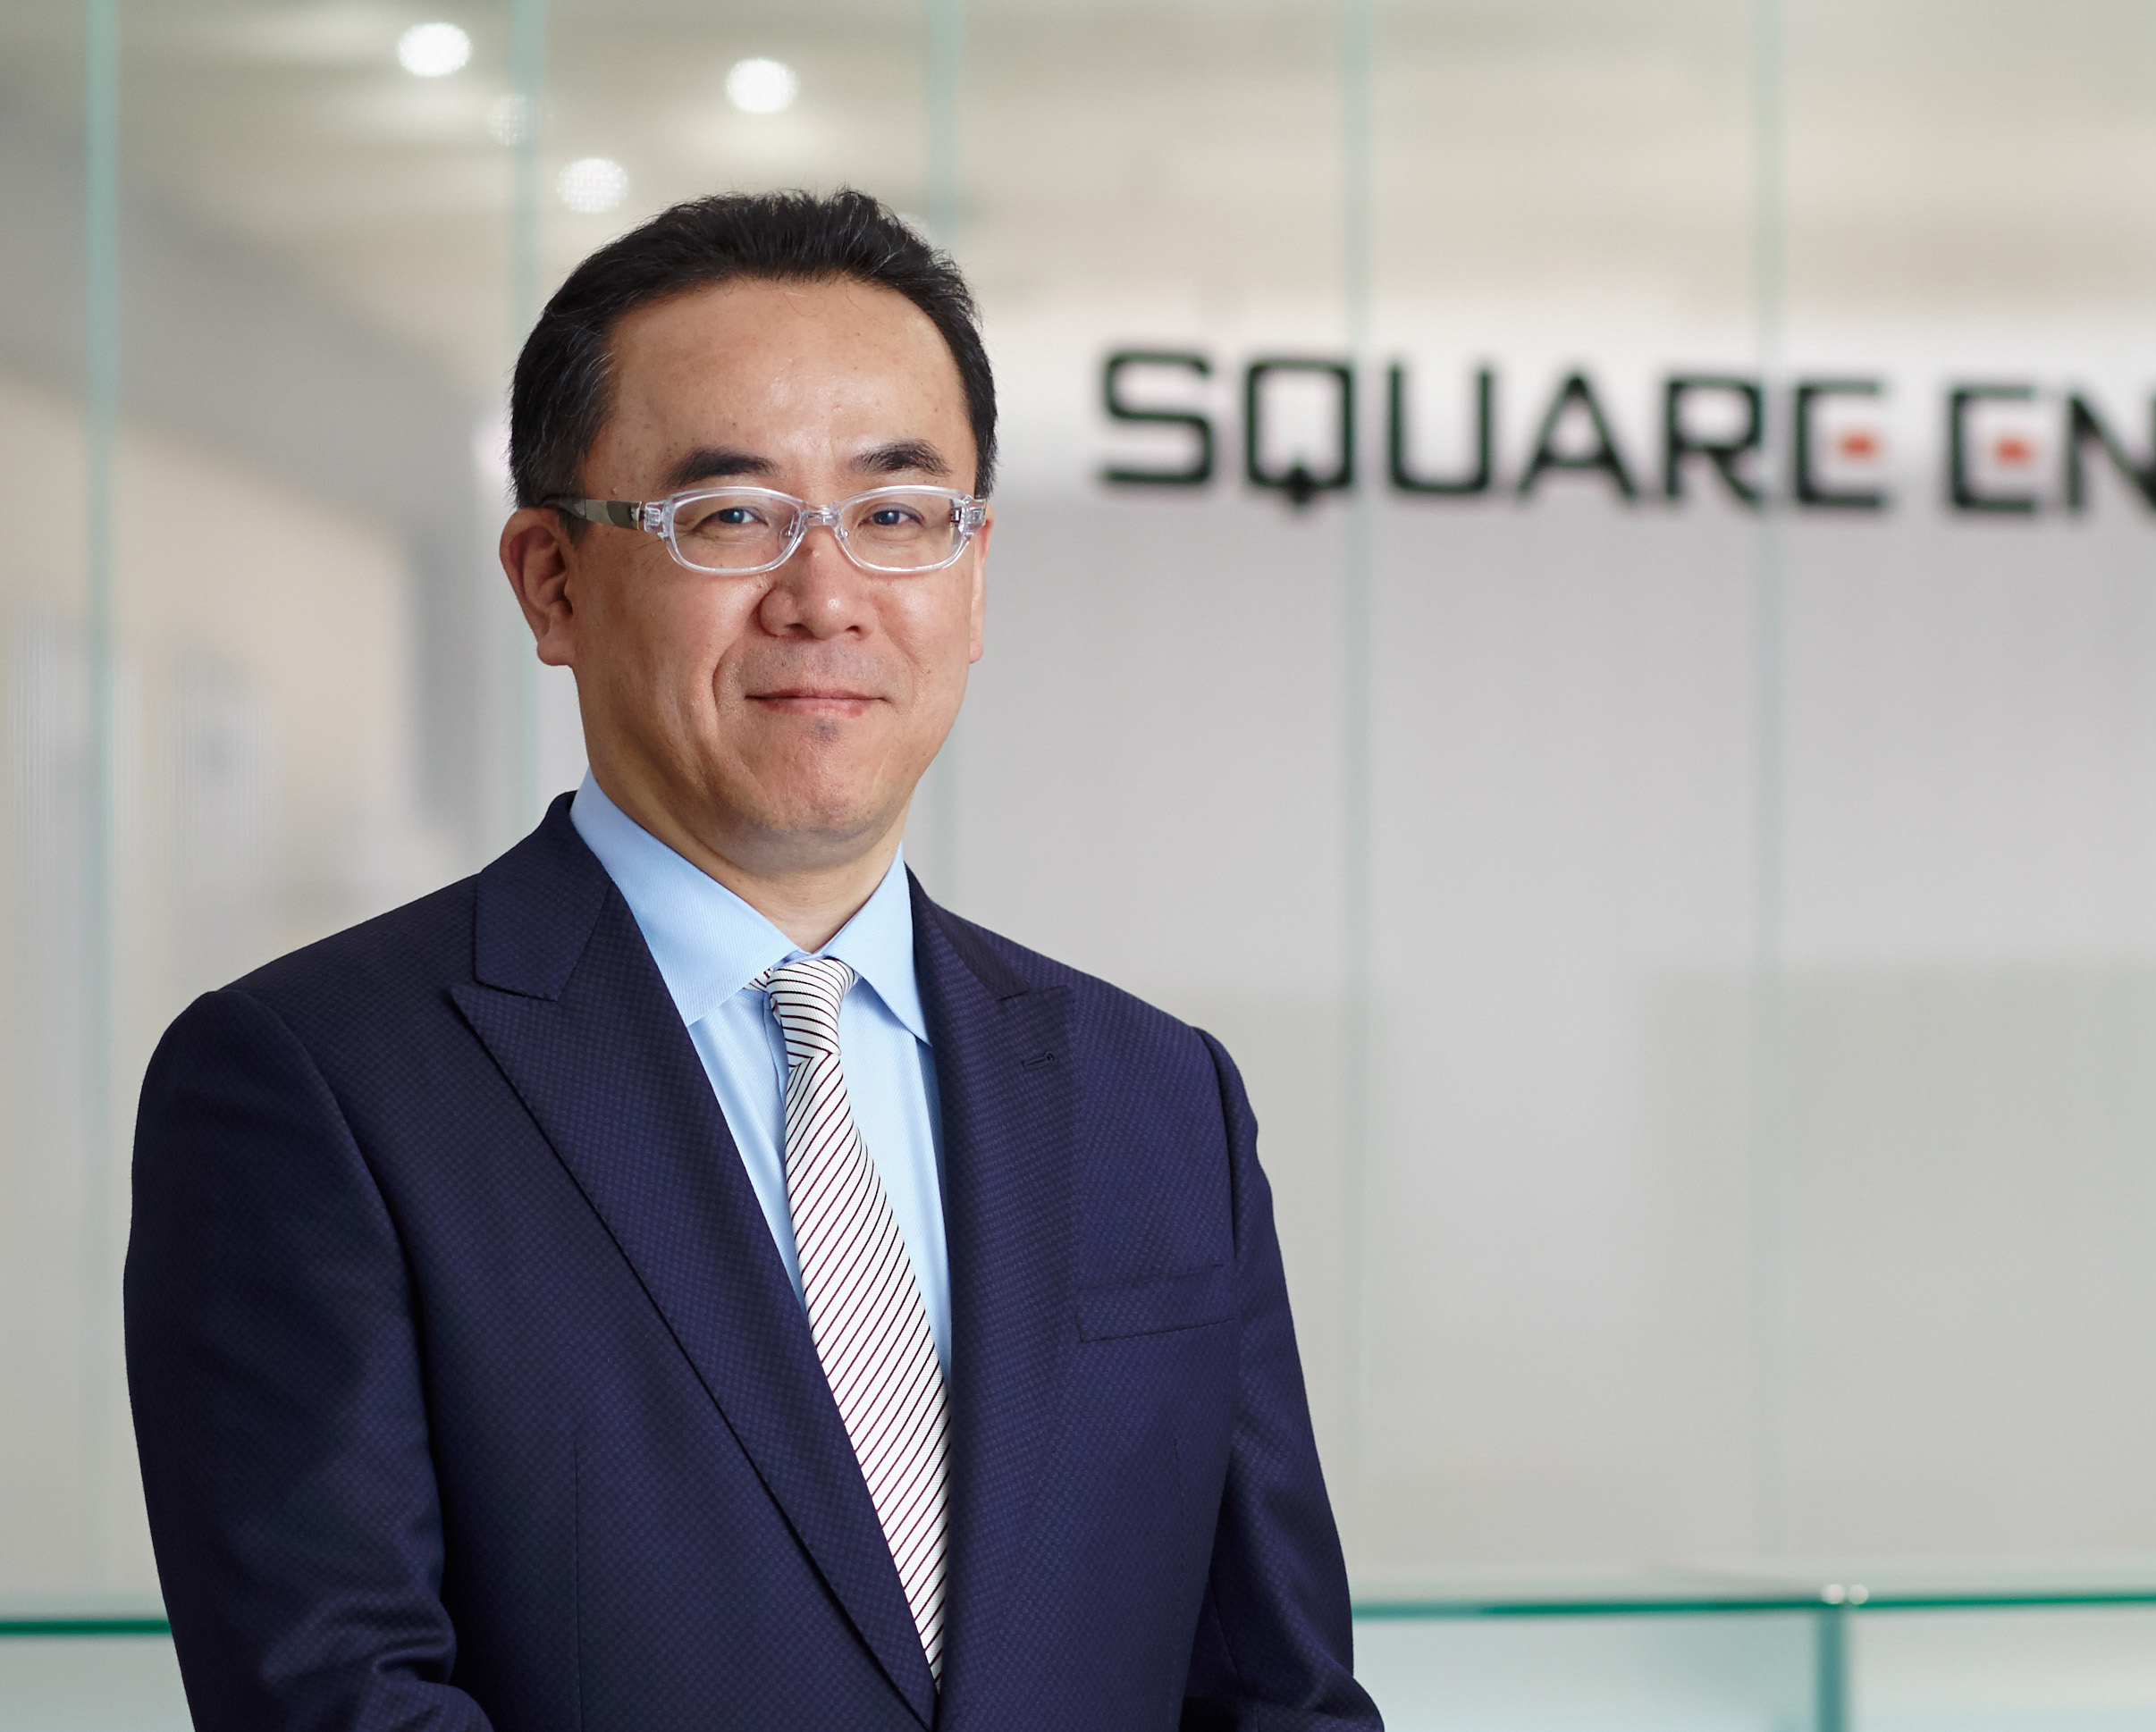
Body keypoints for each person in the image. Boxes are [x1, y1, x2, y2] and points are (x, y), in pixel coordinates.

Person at [123, 189, 1379, 1732]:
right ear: (551, 580)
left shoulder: (1157, 1096)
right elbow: (337, 1700)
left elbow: (1277, 1691)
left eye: (896, 514)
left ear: (975, 576)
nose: (825, 597)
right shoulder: (317, 1086)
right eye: (728, 516)